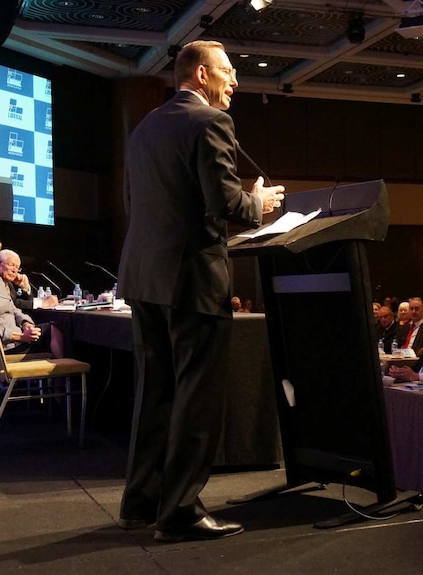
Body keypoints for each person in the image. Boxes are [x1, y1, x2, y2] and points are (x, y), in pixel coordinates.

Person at [115, 40, 284, 543]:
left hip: (145, 278)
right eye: (229, 72)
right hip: (191, 278)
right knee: (196, 397)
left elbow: (134, 203)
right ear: (203, 74)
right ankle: (181, 511)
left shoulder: (143, 128)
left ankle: (141, 503)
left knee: (156, 392)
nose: (235, 81)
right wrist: (257, 201)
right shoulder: (210, 122)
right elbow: (222, 202)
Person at [0, 235, 63, 358]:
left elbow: (13, 308)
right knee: (55, 329)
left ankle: (62, 372)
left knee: (55, 327)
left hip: (17, 338)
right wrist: (22, 337)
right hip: (3, 346)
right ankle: (66, 372)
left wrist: (27, 324)